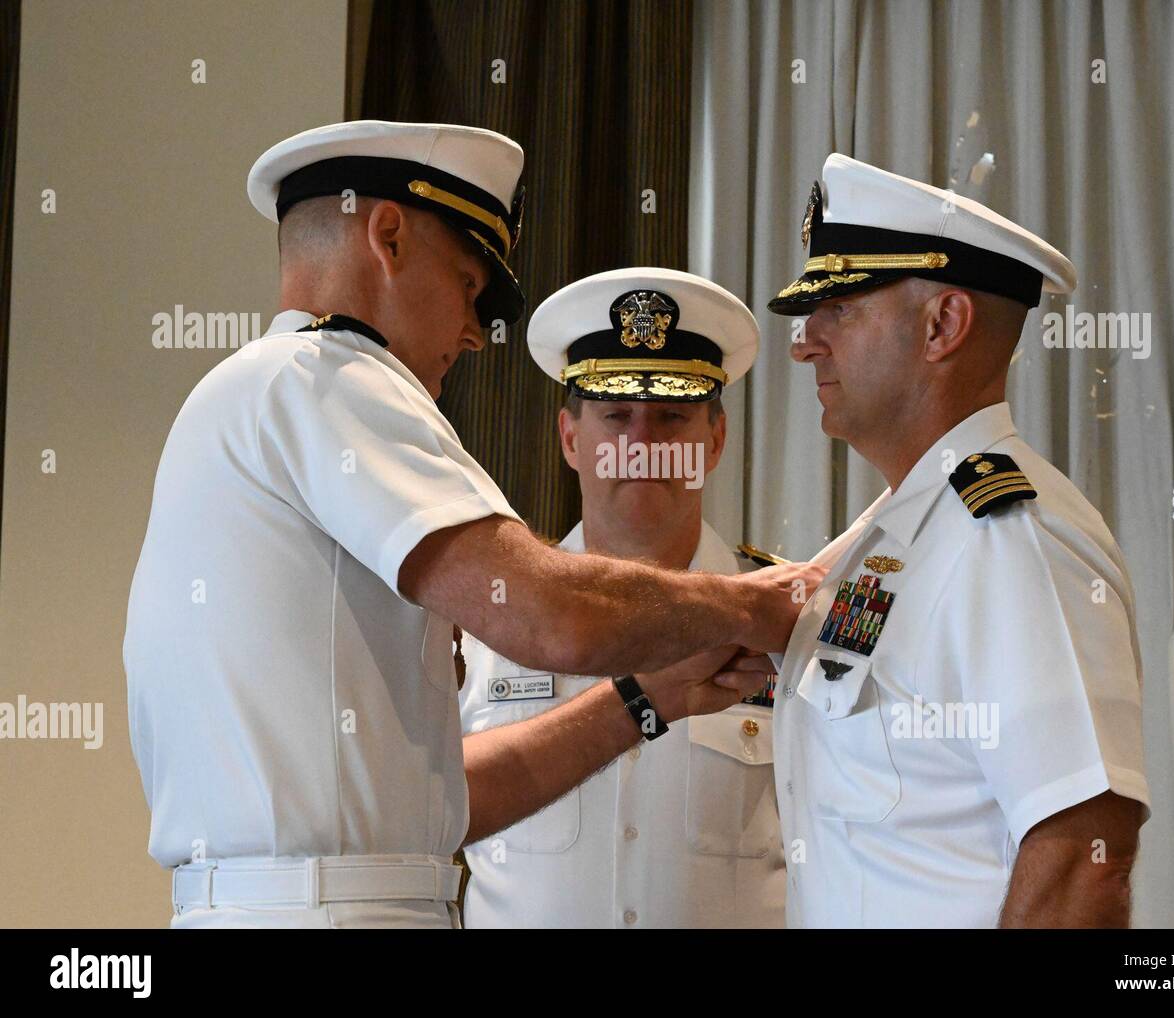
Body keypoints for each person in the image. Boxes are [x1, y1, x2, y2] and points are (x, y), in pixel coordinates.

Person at [123, 120, 818, 929]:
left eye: (670, 421)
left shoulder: (251, 393)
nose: (469, 333)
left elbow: (448, 800)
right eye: (465, 285)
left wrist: (646, 695)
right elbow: (550, 615)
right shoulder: (332, 378)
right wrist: (750, 606)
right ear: (387, 236)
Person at [765, 154, 1151, 928]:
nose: (806, 342)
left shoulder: (1010, 537)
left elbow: (1083, 862)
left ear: (943, 325)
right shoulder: (902, 534)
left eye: (840, 308)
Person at [459, 267, 785, 928]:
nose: (642, 445)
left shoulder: (783, 623)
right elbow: (431, 815)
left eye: (671, 416)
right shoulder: (484, 616)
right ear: (571, 439)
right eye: (616, 416)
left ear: (714, 441)